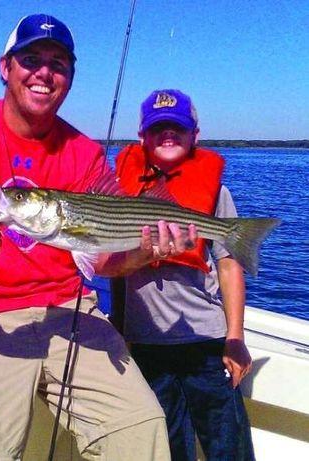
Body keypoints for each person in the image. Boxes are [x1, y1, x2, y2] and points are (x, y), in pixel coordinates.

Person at [0, 14, 194, 461]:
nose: (45, 72)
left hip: (69, 308)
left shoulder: (85, 153)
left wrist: (143, 253)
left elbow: (101, 263)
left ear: (70, 78)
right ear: (6, 67)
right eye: (31, 59)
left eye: (58, 63)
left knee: (143, 432)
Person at [112, 89, 255, 460]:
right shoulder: (121, 195)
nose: (168, 135)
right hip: (147, 343)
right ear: (142, 137)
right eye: (158, 128)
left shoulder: (215, 192)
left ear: (196, 135)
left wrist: (234, 337)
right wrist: (120, 327)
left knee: (227, 443)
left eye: (178, 127)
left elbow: (228, 264)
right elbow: (115, 270)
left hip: (205, 341)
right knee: (168, 445)